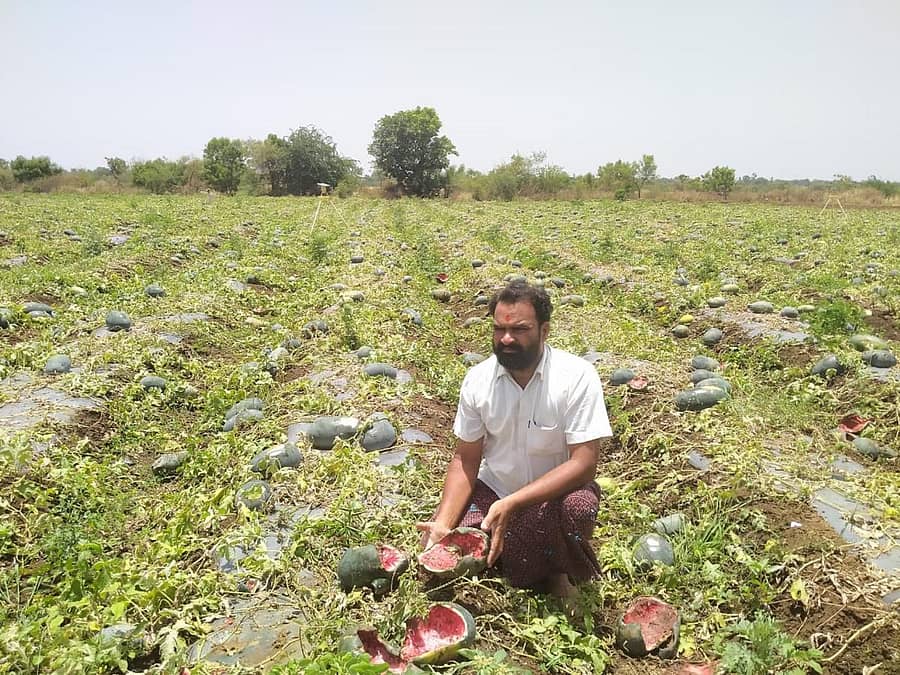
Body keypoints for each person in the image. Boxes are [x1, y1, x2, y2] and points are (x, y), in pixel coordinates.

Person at [417, 281, 613, 597]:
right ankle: (529, 557)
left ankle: (557, 572)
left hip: (554, 496)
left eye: (519, 329)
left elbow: (585, 463)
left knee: (578, 508)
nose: (506, 338)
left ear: (544, 330)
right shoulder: (478, 381)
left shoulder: (577, 376)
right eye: (499, 329)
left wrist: (514, 503)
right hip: (495, 491)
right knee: (458, 540)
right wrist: (444, 523)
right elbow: (466, 459)